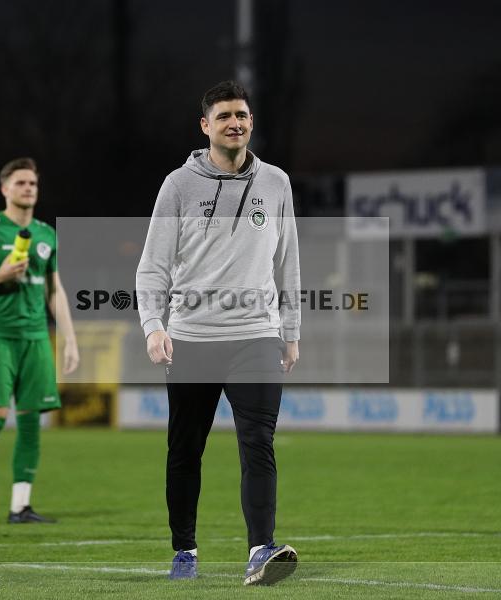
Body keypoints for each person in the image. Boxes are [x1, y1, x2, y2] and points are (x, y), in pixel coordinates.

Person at [136, 81, 300, 586]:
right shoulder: (178, 185)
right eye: (225, 115)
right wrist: (153, 326)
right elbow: (152, 266)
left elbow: (287, 260)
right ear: (205, 126)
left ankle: (260, 550)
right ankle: (184, 550)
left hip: (255, 335)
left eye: (243, 115)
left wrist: (290, 330)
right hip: (192, 338)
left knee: (258, 443)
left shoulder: (276, 182)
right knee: (186, 450)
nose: (236, 122)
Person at [0, 157, 79, 523]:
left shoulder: (45, 235)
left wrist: (69, 339)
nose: (28, 189)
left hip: (35, 336)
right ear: (5, 189)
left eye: (33, 184)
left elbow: (55, 290)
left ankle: (20, 506)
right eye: (20, 183)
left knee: (30, 419)